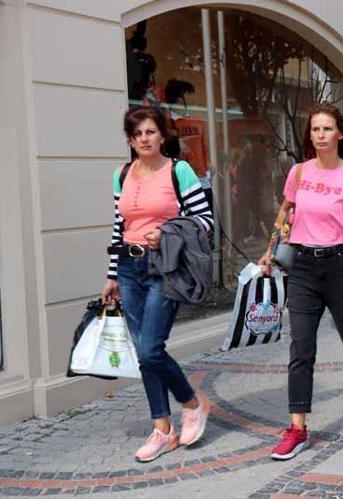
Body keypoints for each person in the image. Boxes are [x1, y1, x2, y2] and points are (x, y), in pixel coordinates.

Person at [257, 102, 343, 461]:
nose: (321, 135)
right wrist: (270, 250)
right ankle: (297, 428)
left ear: (340, 133)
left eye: (327, 129)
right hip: (304, 269)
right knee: (301, 349)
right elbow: (285, 213)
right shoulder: (299, 173)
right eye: (315, 129)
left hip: (342, 266)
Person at [102, 107, 214, 462]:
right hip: (128, 268)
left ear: (162, 135)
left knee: (151, 348)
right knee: (144, 354)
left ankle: (191, 403)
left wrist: (165, 232)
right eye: (137, 134)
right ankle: (162, 429)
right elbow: (119, 227)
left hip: (164, 267)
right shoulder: (122, 174)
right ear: (130, 140)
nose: (144, 139)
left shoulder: (179, 171)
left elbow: (205, 221)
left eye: (150, 132)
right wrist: (112, 274)